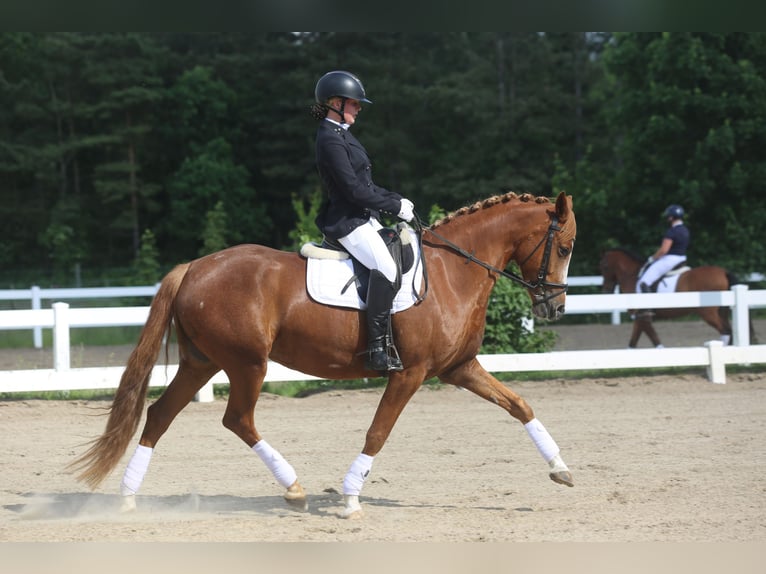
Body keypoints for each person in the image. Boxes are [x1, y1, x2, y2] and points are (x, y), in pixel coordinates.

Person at [310, 70, 415, 372]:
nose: (359, 108)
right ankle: (377, 349)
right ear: (334, 103)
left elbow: (366, 185)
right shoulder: (329, 139)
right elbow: (354, 191)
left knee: (404, 254)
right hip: (348, 222)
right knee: (386, 267)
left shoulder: (343, 134)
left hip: (365, 217)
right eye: (354, 103)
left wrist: (397, 199)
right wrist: (394, 205)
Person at [636, 204, 690, 294]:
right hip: (682, 258)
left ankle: (646, 306)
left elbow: (664, 250)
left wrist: (652, 258)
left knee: (644, 281)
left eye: (668, 216)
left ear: (672, 217)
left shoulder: (672, 231)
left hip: (670, 259)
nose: (667, 218)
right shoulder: (685, 230)